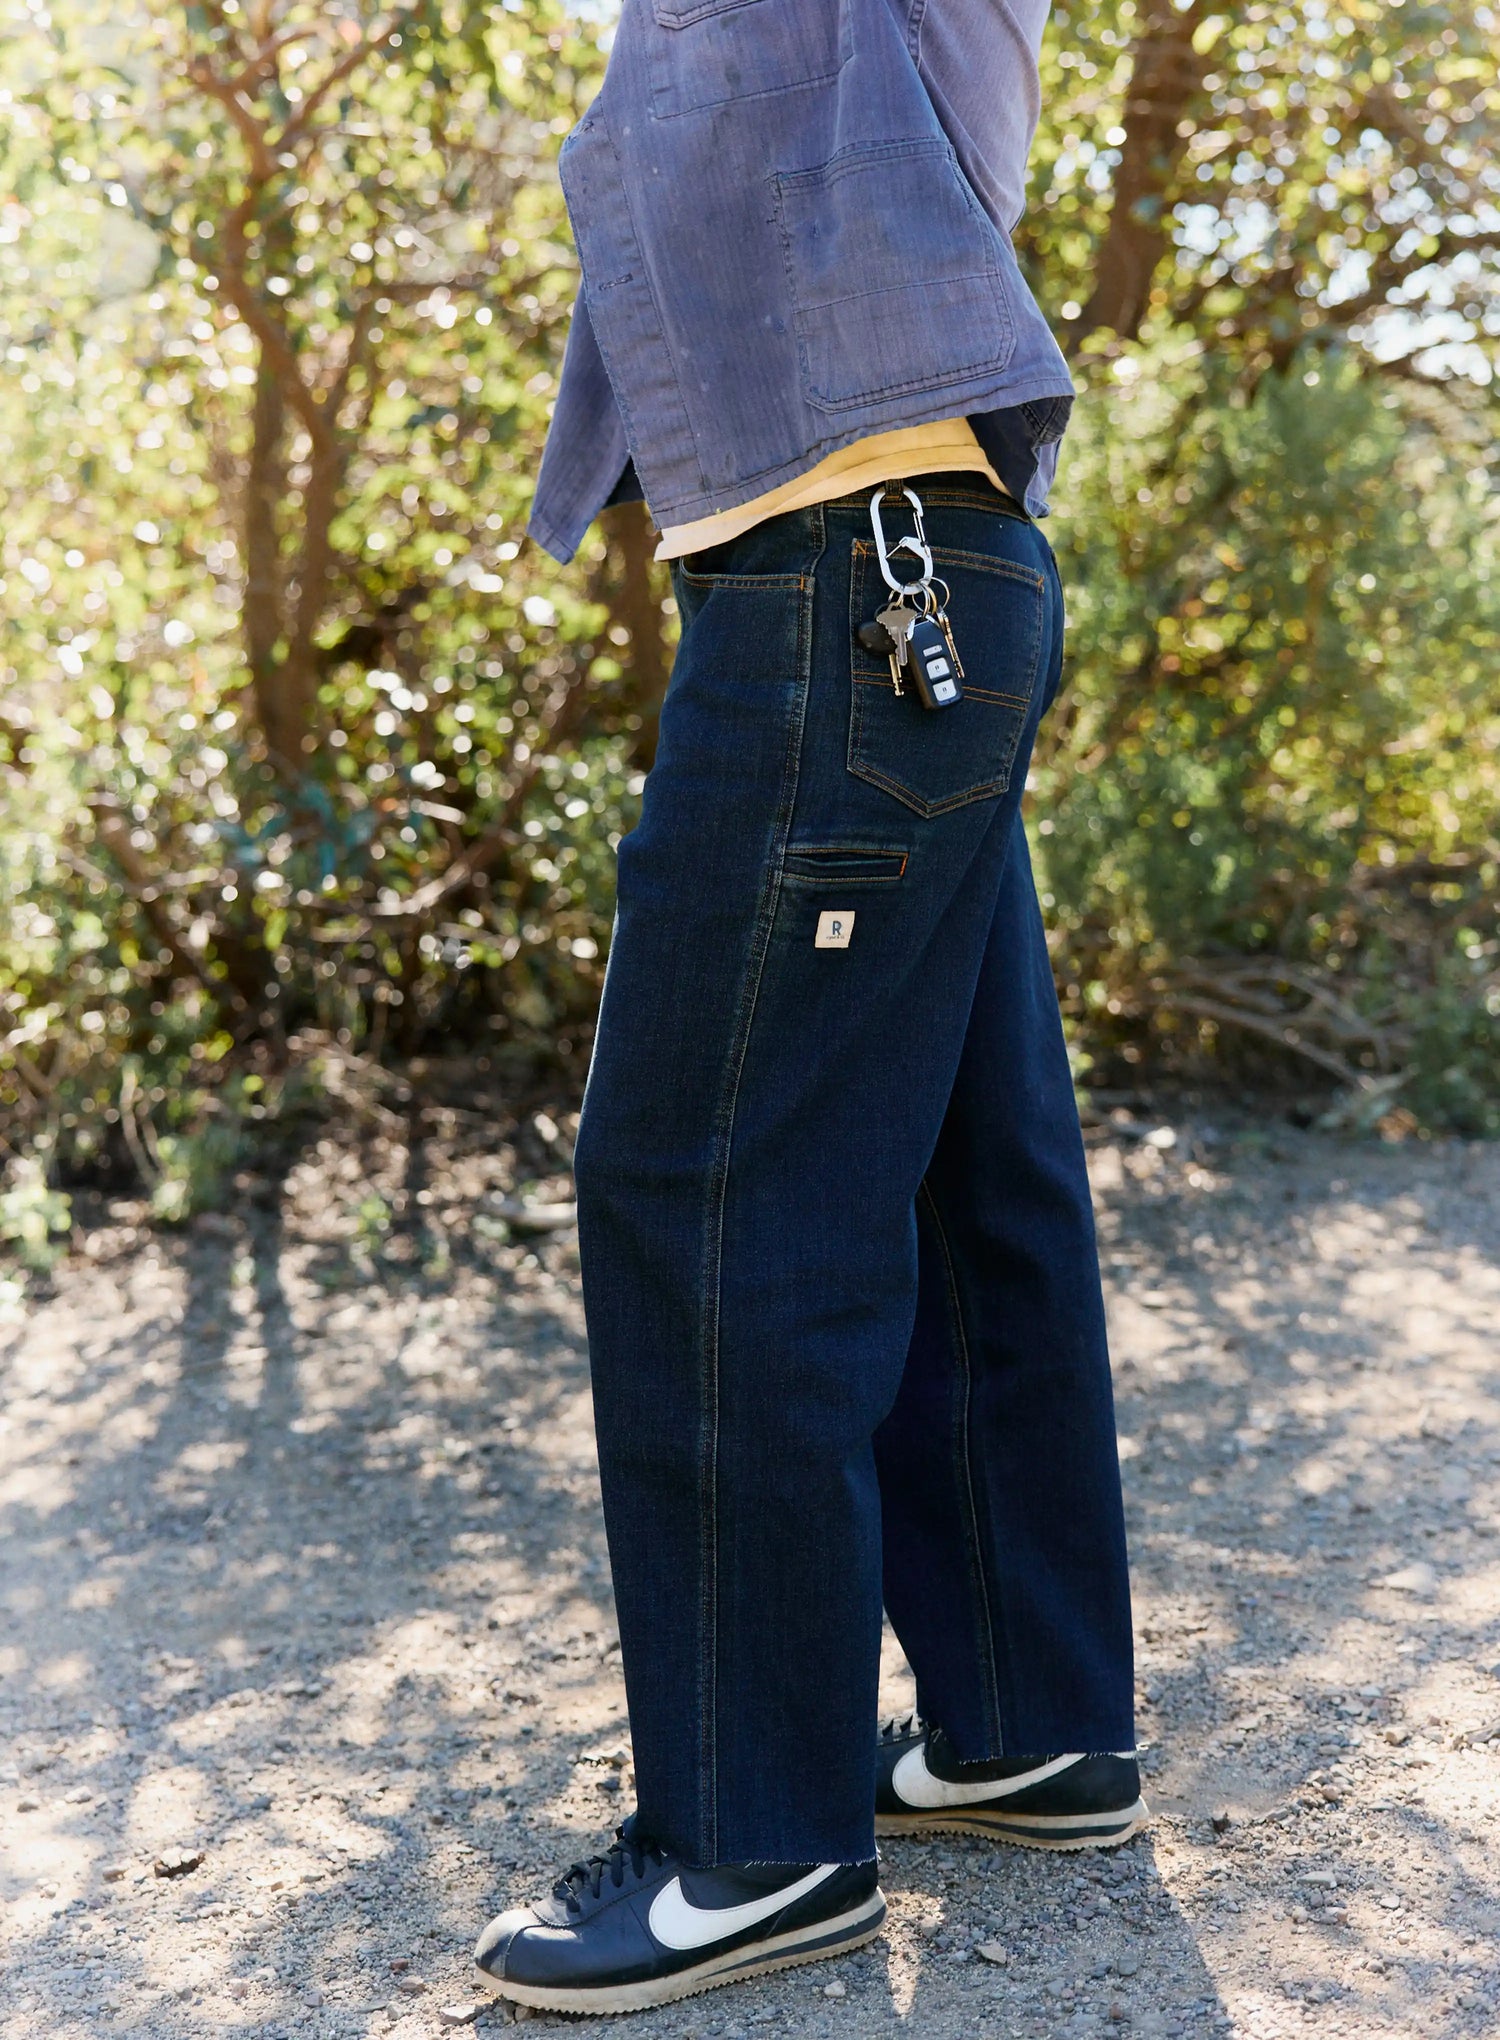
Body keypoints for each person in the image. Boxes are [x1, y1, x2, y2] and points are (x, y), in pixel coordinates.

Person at [473, 0, 1141, 2015]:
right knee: (955, 1173)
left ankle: (755, 1838)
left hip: (850, 602)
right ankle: (1027, 1719)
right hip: (915, 586)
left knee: (705, 1192)